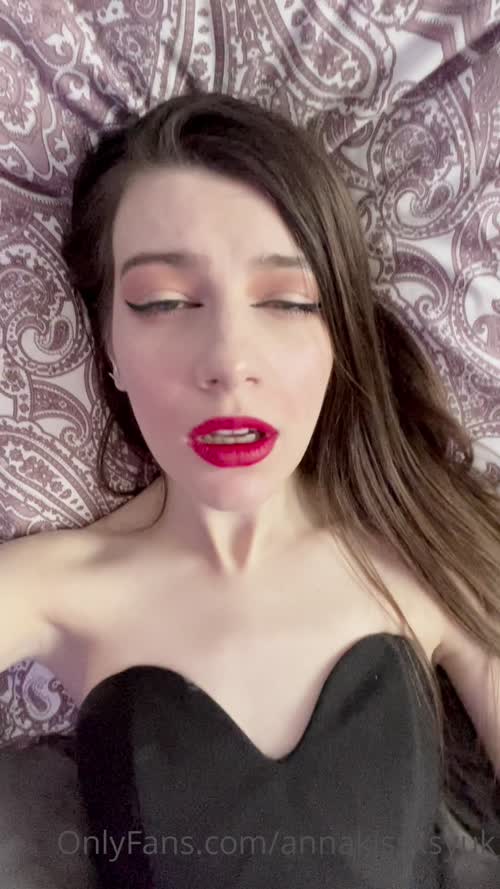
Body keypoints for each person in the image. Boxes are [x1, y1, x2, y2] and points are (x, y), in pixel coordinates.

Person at [1, 89, 500, 887]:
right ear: (110, 347)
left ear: (339, 337)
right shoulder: (48, 586)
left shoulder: (428, 550)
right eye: (164, 302)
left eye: (287, 302)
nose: (230, 361)